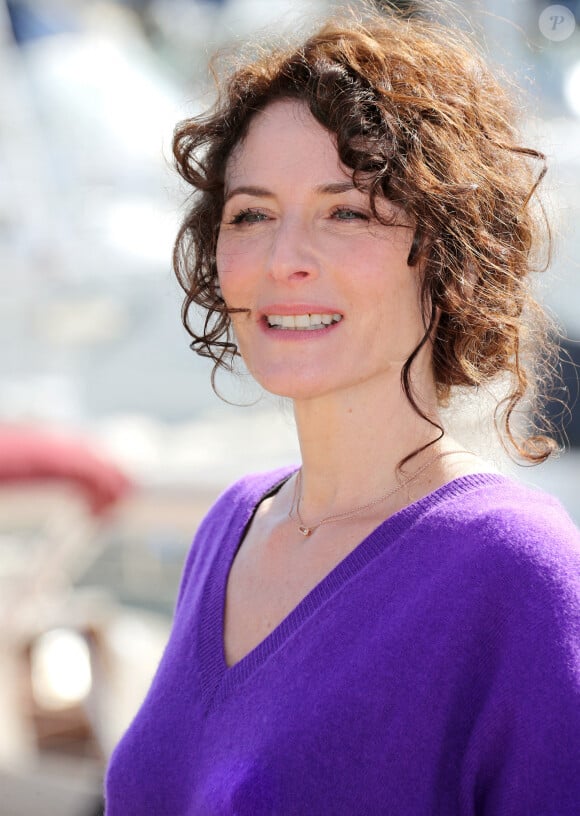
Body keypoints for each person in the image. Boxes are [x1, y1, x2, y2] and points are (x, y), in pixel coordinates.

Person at [104, 6, 580, 814]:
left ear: (449, 254)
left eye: (346, 211)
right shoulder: (231, 524)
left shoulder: (517, 572)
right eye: (251, 214)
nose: (285, 259)